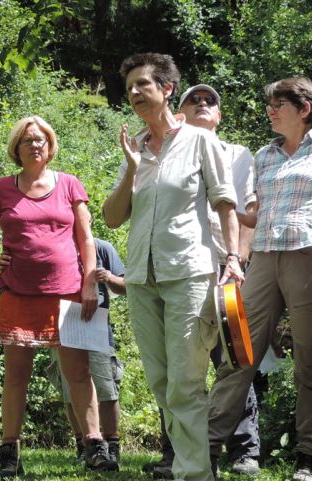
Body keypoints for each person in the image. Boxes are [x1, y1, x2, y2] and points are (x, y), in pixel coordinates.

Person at [207, 76, 312, 481]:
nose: (270, 110)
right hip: (264, 259)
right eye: (270, 104)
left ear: (304, 107)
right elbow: (256, 216)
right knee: (238, 352)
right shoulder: (265, 154)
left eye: (278, 103)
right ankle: (205, 447)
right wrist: (223, 206)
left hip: (311, 256)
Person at [103, 52, 243, 481]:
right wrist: (130, 169)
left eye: (142, 84)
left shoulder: (201, 140)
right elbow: (111, 217)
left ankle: (194, 473)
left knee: (185, 383)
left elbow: (225, 203)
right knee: (162, 385)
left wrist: (233, 260)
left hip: (188, 272)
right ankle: (192, 467)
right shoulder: (138, 148)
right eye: (129, 87)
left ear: (167, 90)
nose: (134, 93)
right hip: (142, 279)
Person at [0, 115, 117, 479]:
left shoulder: (69, 184)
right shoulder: (2, 189)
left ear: (50, 147)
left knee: (78, 373)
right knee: (16, 376)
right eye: (27, 140)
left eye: (41, 140)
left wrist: (89, 284)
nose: (35, 145)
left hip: (67, 293)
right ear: (16, 149)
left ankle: (95, 446)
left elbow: (85, 240)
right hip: (17, 294)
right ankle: (9, 455)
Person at [178, 83, 261, 477]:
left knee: (233, 356)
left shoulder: (237, 154)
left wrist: (238, 261)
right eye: (193, 101)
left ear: (220, 115)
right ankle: (179, 450)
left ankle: (245, 448)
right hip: (183, 267)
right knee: (183, 360)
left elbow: (247, 210)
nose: (202, 105)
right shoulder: (168, 152)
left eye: (210, 101)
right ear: (179, 113)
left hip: (226, 267)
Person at [45, 237, 126, 465]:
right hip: (61, 326)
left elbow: (127, 286)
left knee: (107, 389)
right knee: (69, 391)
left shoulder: (102, 247)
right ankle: (84, 447)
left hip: (97, 328)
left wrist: (108, 278)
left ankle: (112, 447)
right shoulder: (54, 243)